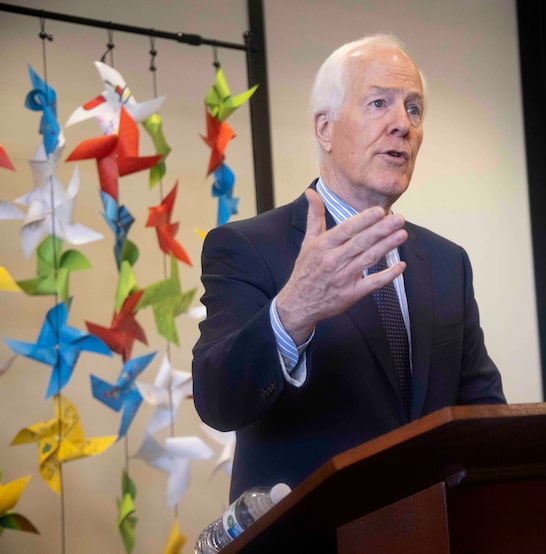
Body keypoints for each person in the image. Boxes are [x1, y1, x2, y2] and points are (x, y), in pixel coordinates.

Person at [192, 34, 505, 503]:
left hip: (434, 533)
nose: (402, 124)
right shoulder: (245, 246)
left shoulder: (447, 262)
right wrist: (292, 312)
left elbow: (483, 412)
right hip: (311, 536)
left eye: (414, 109)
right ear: (325, 129)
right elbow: (218, 401)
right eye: (379, 103)